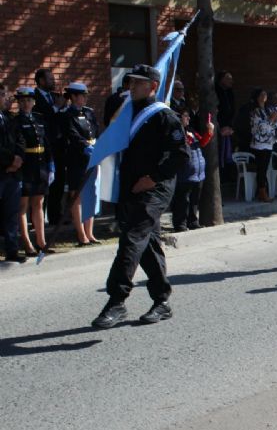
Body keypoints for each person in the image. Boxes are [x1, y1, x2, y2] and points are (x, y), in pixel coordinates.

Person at [91, 64, 189, 329]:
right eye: (130, 82)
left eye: (138, 83)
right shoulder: (126, 113)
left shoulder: (164, 116)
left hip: (154, 188)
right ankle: (162, 301)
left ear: (153, 87)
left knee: (132, 238)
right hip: (130, 186)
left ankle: (116, 301)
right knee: (147, 243)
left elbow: (181, 155)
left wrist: (153, 178)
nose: (131, 86)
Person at [12, 87, 54, 257]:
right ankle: (27, 243)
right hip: (26, 165)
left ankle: (41, 242)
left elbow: (47, 142)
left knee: (39, 203)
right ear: (19, 103)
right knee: (23, 205)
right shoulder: (15, 121)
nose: (26, 103)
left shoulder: (39, 119)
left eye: (29, 100)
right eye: (22, 101)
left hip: (41, 165)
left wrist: (51, 163)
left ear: (34, 102)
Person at [61, 82, 100, 246]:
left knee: (90, 194)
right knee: (77, 196)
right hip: (77, 159)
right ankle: (81, 233)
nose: (85, 98)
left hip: (92, 157)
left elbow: (95, 130)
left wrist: (96, 146)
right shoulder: (66, 115)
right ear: (73, 97)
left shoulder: (89, 113)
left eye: (85, 95)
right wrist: (85, 146)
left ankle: (90, 232)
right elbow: (72, 134)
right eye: (82, 95)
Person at [33, 69, 64, 226]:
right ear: (41, 81)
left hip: (58, 146)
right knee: (44, 182)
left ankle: (55, 215)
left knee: (58, 181)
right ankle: (39, 219)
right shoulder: (34, 98)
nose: (54, 81)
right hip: (44, 146)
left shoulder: (54, 97)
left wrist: (61, 107)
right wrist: (56, 108)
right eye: (50, 79)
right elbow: (42, 117)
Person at [172, 108, 212, 231]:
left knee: (194, 199)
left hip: (197, 173)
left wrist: (209, 132)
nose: (188, 118)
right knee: (183, 200)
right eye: (185, 116)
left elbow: (202, 142)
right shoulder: (175, 132)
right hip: (185, 173)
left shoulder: (191, 131)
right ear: (179, 117)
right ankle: (180, 223)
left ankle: (193, 221)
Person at [0, 84, 26, 263]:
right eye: (3, 94)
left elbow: (21, 139)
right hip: (2, 171)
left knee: (11, 213)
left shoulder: (10, 118)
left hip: (12, 174)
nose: (7, 97)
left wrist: (18, 157)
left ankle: (12, 250)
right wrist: (10, 161)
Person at [249, 88, 277, 203]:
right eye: (261, 94)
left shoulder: (268, 109)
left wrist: (275, 119)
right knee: (261, 169)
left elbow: (273, 125)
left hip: (269, 142)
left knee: (265, 168)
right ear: (257, 97)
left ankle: (262, 191)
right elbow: (261, 126)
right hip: (259, 143)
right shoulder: (255, 111)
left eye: (265, 94)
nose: (264, 96)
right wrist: (272, 119)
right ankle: (262, 192)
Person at [215, 70, 235, 177]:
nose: (231, 81)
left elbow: (232, 110)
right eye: (228, 78)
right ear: (221, 79)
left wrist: (230, 127)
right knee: (219, 153)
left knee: (228, 153)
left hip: (228, 128)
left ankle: (227, 176)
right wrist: (221, 127)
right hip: (219, 128)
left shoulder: (230, 92)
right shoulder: (216, 91)